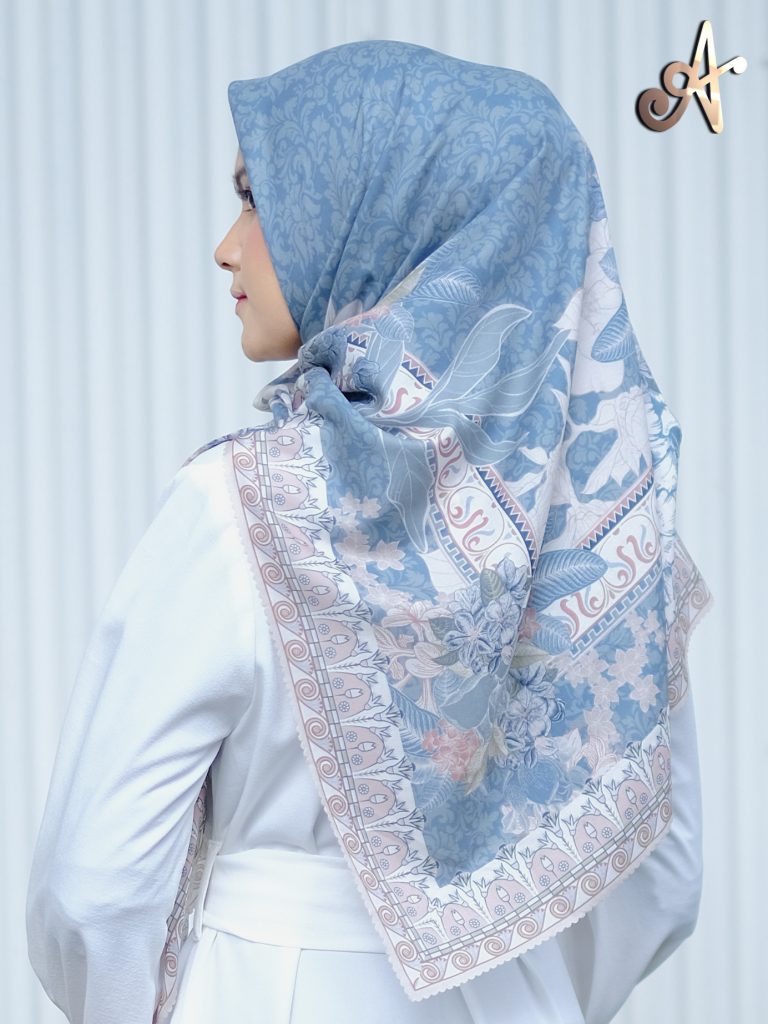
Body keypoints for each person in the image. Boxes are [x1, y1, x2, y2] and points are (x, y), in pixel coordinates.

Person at [26, 39, 713, 1024]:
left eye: (257, 199)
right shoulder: (607, 531)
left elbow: (95, 886)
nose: (227, 245)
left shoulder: (240, 507)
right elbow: (663, 876)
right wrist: (523, 988)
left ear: (391, 218)